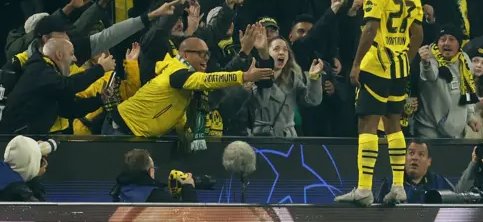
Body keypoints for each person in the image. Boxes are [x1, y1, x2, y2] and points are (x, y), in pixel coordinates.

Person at [335, 0, 424, 206]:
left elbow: (371, 29)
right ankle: (398, 186)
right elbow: (418, 33)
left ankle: (363, 188)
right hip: (399, 67)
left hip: (376, 65)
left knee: (368, 124)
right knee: (394, 124)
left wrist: (356, 64)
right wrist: (405, 59)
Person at [105, 37, 274, 136]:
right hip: (121, 129)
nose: (206, 58)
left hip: (137, 132)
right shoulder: (177, 72)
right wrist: (243, 76)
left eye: (208, 54)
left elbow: (212, 89)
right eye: (201, 53)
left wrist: (243, 55)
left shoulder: (183, 76)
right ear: (185, 54)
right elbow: (207, 81)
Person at [415, 26, 481, 139]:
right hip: (430, 128)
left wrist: (470, 116)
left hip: (456, 130)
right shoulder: (430, 56)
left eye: (451, 39)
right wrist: (426, 64)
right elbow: (430, 75)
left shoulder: (464, 61)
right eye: (443, 39)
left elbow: (469, 89)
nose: (447, 43)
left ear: (459, 43)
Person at [251, 37, 323, 137]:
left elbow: (312, 101)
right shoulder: (254, 75)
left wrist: (314, 78)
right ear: (266, 53)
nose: (281, 53)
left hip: (288, 138)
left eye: (285, 50)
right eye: (276, 49)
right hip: (261, 136)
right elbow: (262, 101)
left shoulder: (293, 79)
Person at [376, 141, 454, 204]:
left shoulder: (440, 183)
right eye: (411, 153)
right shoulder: (390, 183)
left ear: (429, 161)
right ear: (404, 158)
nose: (415, 158)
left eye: (421, 154)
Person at [0, 135, 49, 202]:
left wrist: (31, 147)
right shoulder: (20, 192)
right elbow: (41, 210)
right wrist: (34, 175)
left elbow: (20, 154)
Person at [110, 148, 197, 202]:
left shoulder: (119, 190)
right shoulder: (156, 197)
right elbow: (190, 216)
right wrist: (188, 187)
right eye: (153, 167)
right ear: (150, 171)